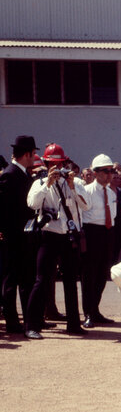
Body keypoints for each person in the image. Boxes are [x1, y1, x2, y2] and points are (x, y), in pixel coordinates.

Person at [24, 144, 88, 339]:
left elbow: (85, 206)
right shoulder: (39, 183)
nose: (57, 168)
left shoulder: (75, 182)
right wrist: (47, 184)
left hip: (68, 235)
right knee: (41, 280)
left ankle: (73, 324)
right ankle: (31, 325)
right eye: (53, 164)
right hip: (49, 235)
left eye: (61, 164)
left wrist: (72, 188)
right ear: (46, 163)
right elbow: (32, 203)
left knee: (70, 280)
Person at [0, 135, 39, 335]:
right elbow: (5, 211)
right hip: (13, 238)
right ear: (26, 154)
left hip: (23, 237)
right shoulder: (10, 174)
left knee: (25, 280)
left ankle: (28, 320)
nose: (35, 157)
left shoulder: (22, 174)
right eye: (33, 153)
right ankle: (12, 321)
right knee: (11, 280)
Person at [79, 154, 118, 328]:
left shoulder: (111, 192)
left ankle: (95, 310)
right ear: (95, 172)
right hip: (91, 232)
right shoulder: (86, 191)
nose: (109, 174)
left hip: (107, 232)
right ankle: (88, 312)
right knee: (89, 274)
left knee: (103, 274)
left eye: (111, 171)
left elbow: (113, 215)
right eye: (105, 171)